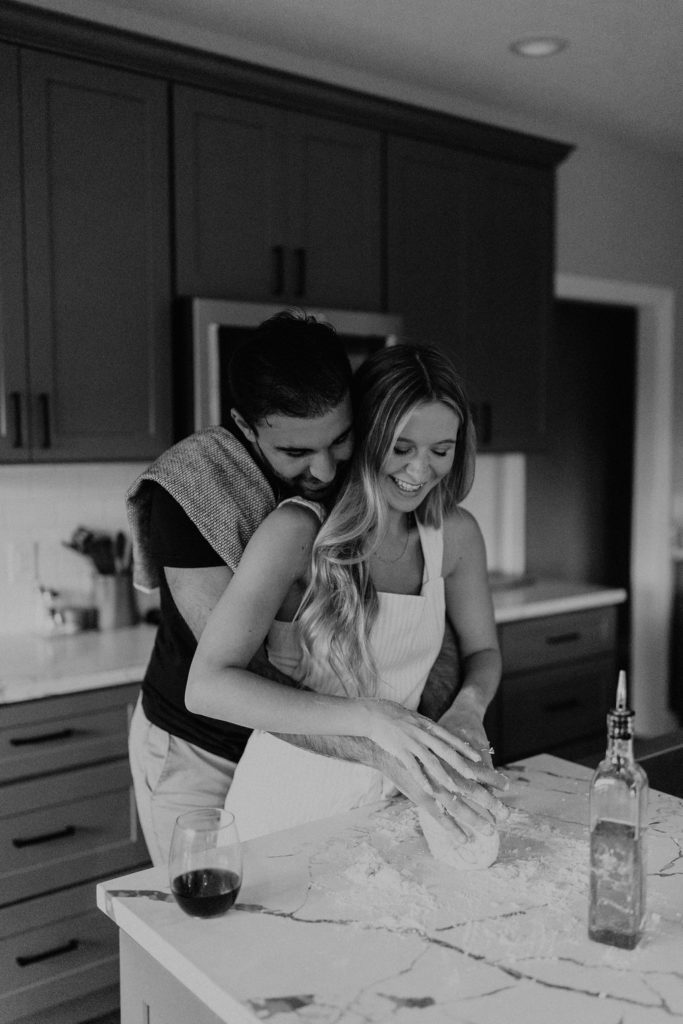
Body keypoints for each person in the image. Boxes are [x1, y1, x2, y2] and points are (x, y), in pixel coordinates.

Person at [186, 342, 507, 843]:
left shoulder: (456, 535)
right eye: (401, 448)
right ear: (365, 435)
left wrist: (467, 707)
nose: (420, 471)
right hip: (287, 808)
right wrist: (372, 719)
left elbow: (483, 650)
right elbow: (206, 686)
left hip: (398, 801)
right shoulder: (296, 532)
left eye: (440, 451)